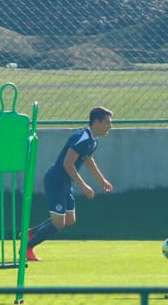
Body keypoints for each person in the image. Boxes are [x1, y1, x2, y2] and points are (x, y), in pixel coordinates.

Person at [25, 107, 114, 262]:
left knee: (70, 220)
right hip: (56, 181)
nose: (110, 127)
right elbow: (68, 164)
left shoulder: (93, 141)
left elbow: (88, 159)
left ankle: (31, 232)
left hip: (66, 182)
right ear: (96, 122)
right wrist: (84, 185)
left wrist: (102, 180)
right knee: (59, 223)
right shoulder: (81, 137)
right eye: (107, 122)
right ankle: (27, 248)